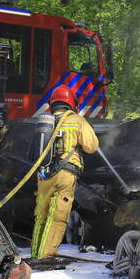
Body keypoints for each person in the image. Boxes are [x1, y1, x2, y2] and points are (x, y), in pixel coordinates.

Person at [30, 85, 99, 267]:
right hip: (65, 173)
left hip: (43, 174)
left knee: (41, 214)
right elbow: (91, 146)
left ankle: (36, 252)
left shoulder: (46, 120)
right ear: (71, 102)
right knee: (58, 214)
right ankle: (46, 256)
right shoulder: (76, 120)